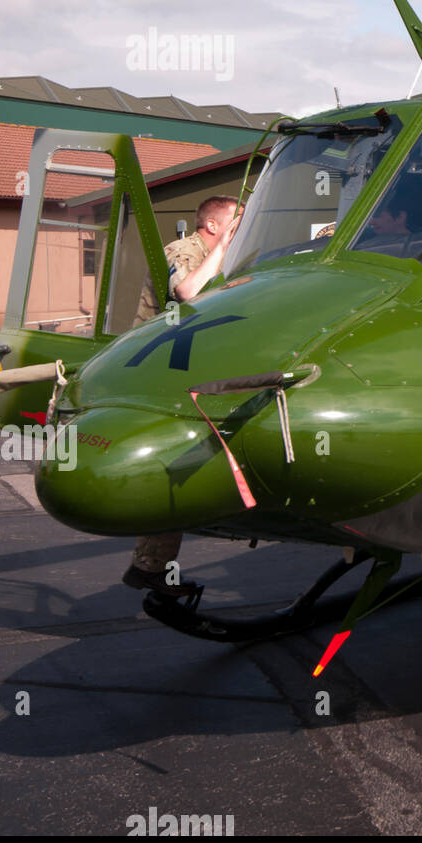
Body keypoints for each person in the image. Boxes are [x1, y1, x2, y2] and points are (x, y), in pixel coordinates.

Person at [123, 196, 239, 599]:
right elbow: (187, 290)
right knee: (173, 467)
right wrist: (223, 249)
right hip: (156, 373)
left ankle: (150, 567)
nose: (241, 226)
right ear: (211, 225)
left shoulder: (218, 257)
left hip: (182, 370)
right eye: (235, 221)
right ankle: (151, 568)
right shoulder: (184, 251)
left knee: (177, 469)